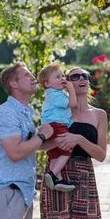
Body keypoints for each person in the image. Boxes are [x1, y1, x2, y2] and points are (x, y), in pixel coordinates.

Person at [0, 62, 56, 219]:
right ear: (13, 84)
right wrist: (42, 136)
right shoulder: (7, 113)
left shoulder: (23, 112)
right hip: (7, 191)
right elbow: (15, 152)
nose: (33, 77)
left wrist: (62, 140)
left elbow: (28, 146)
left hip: (22, 191)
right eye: (27, 75)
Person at [40, 67, 107, 219]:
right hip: (57, 175)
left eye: (85, 75)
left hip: (85, 178)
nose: (82, 78)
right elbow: (40, 146)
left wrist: (79, 139)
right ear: (65, 83)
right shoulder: (58, 109)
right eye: (75, 76)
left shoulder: (99, 115)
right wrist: (57, 141)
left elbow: (101, 155)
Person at [38, 63, 77, 192]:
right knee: (67, 150)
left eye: (63, 76)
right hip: (57, 125)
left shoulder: (53, 93)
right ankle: (53, 174)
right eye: (58, 77)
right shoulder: (56, 95)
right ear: (47, 84)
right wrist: (71, 89)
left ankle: (58, 180)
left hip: (50, 126)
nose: (63, 79)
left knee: (55, 155)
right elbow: (72, 104)